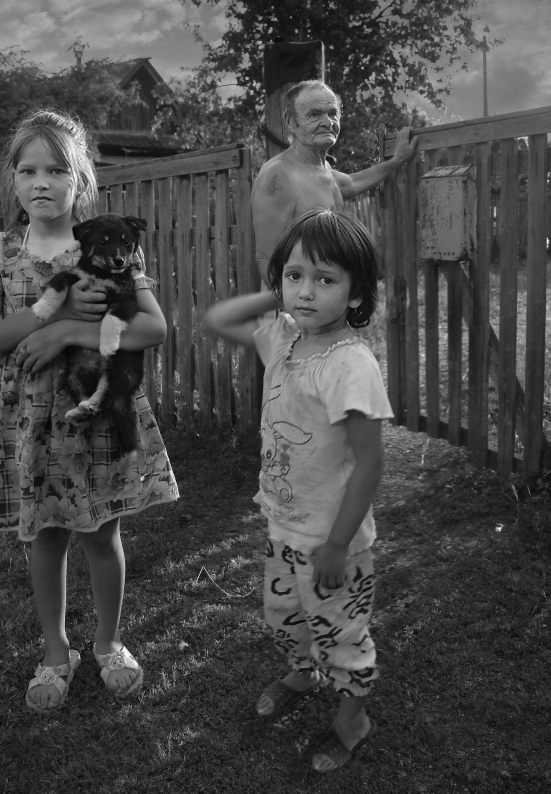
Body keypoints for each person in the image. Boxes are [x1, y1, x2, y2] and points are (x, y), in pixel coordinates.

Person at [0, 109, 179, 715]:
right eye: (28, 170)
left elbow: (154, 328)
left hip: (95, 413)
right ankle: (56, 651)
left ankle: (108, 642)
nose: (42, 182)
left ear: (80, 179)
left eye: (57, 169)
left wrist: (69, 332)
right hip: (28, 418)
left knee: (102, 534)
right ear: (11, 179)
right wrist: (49, 318)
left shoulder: (109, 245)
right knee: (46, 537)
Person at [203, 209, 392, 773]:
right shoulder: (282, 342)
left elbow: (370, 463)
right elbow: (217, 317)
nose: (306, 291)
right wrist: (278, 293)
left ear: (355, 294)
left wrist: (337, 544)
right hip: (284, 527)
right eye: (295, 276)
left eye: (325, 279)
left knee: (342, 636)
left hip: (334, 544)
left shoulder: (350, 365)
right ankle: (301, 674)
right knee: (285, 617)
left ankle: (353, 720)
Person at [251, 80, 418, 284]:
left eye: (332, 113)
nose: (328, 122)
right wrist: (291, 302)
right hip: (297, 299)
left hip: (325, 294)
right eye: (314, 114)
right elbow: (266, 257)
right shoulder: (278, 175)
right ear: (290, 122)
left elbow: (353, 183)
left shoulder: (321, 169)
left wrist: (396, 161)